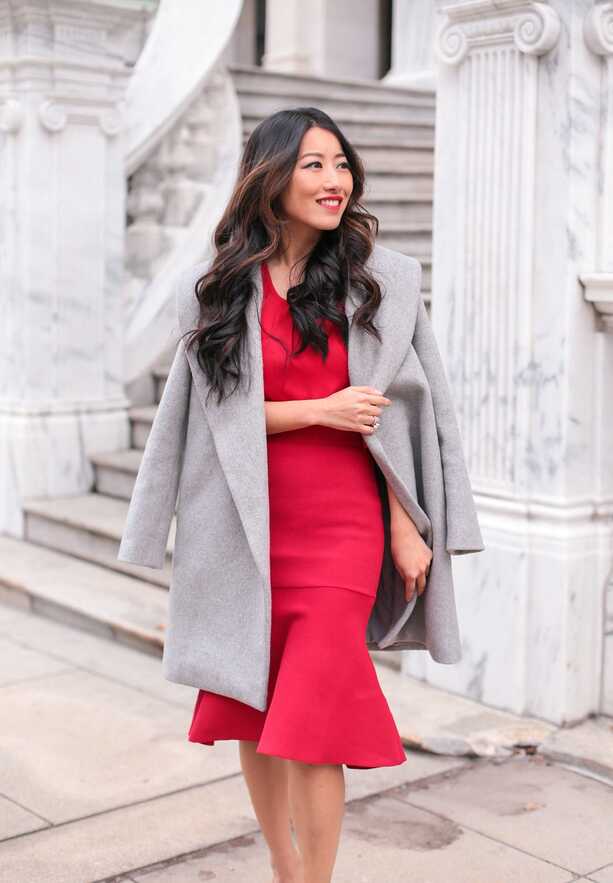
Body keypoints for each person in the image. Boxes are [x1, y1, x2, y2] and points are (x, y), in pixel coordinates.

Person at [182, 107, 431, 883]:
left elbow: (403, 410)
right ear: (271, 175)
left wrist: (405, 523)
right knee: (254, 703)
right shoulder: (224, 287)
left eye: (342, 164)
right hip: (248, 520)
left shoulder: (377, 279)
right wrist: (319, 409)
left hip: (344, 522)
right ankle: (284, 866)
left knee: (315, 719)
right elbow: (210, 420)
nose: (335, 181)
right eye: (314, 165)